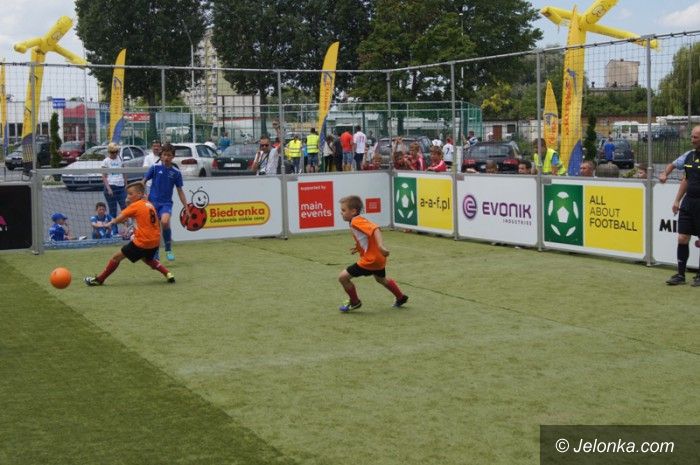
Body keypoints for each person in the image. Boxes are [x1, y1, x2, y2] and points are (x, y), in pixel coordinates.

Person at [85, 182, 175, 286]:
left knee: (116, 257)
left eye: (131, 194)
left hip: (143, 241)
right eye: (127, 194)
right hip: (155, 241)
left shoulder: (135, 205)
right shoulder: (148, 204)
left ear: (139, 194)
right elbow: (135, 216)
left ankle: (99, 280)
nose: (128, 196)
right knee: (147, 259)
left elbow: (120, 218)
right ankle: (168, 273)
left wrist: (110, 223)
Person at [337, 195, 408, 312]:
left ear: (353, 211)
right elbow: (365, 237)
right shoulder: (355, 221)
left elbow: (375, 229)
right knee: (381, 279)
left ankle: (355, 302)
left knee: (343, 278)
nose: (341, 213)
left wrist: (380, 246)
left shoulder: (356, 221)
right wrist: (358, 247)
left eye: (343, 210)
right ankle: (401, 297)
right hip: (378, 258)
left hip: (370, 260)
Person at [143, 142, 190, 261]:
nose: (166, 157)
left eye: (169, 155)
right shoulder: (155, 167)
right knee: (155, 228)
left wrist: (186, 207)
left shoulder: (176, 172)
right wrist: (143, 194)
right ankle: (155, 252)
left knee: (164, 222)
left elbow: (180, 191)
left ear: (173, 156)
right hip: (152, 203)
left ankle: (168, 248)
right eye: (164, 155)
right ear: (161, 155)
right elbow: (143, 181)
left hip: (166, 203)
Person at [667, 125, 700, 285]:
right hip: (688, 202)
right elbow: (686, 179)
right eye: (692, 137)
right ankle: (680, 275)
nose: (692, 140)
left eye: (695, 137)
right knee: (682, 237)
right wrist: (677, 200)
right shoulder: (689, 156)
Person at [101, 142, 127, 235]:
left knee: (125, 208)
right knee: (113, 210)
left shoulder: (120, 159)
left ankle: (127, 229)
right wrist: (108, 188)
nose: (114, 154)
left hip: (121, 186)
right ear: (109, 152)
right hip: (111, 186)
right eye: (112, 152)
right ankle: (114, 231)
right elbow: (104, 176)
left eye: (116, 152)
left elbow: (124, 172)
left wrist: (126, 184)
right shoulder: (106, 161)